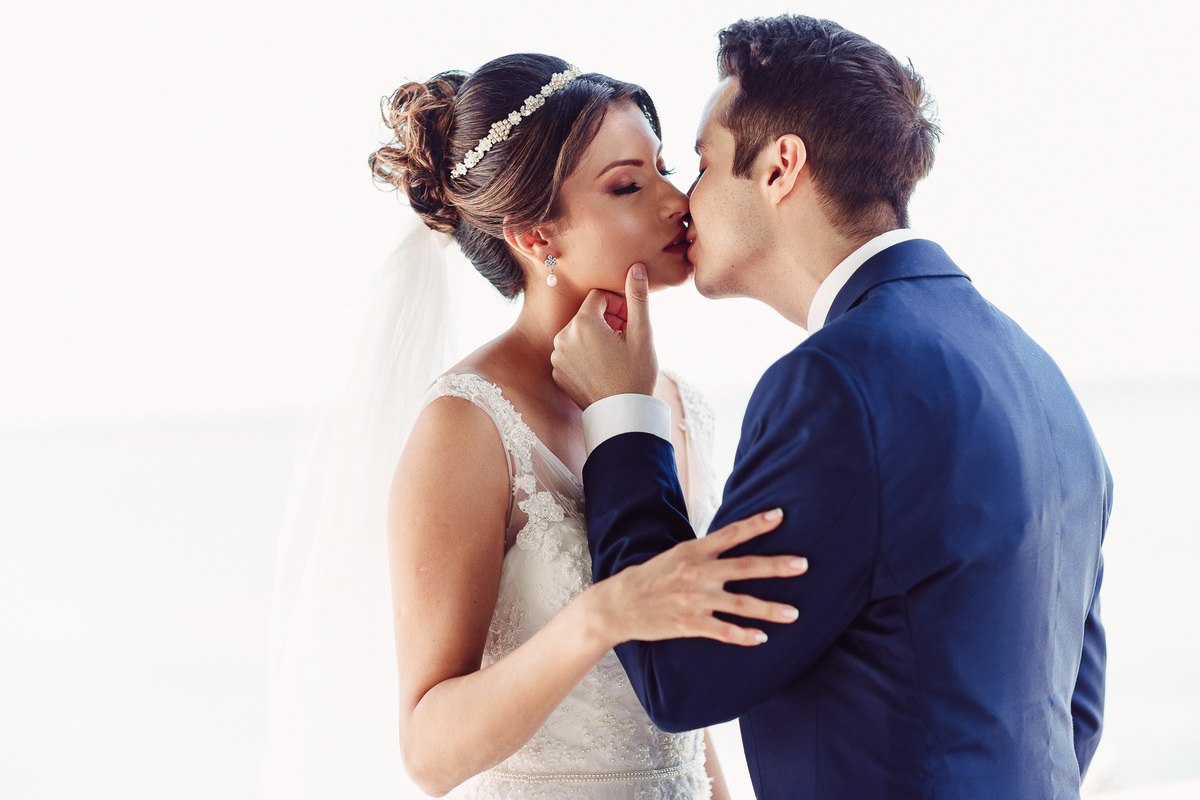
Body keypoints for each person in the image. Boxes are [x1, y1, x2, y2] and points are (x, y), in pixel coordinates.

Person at [551, 15, 1111, 800]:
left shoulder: (834, 384)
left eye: (704, 165)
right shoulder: (1038, 374)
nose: (685, 202)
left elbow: (682, 674)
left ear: (781, 167)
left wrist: (620, 413)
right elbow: (1070, 714)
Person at [260, 53, 809, 800]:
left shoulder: (677, 404)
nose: (677, 202)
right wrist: (602, 614)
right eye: (627, 185)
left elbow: (679, 719)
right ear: (535, 236)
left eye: (664, 169)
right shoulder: (469, 424)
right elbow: (427, 752)